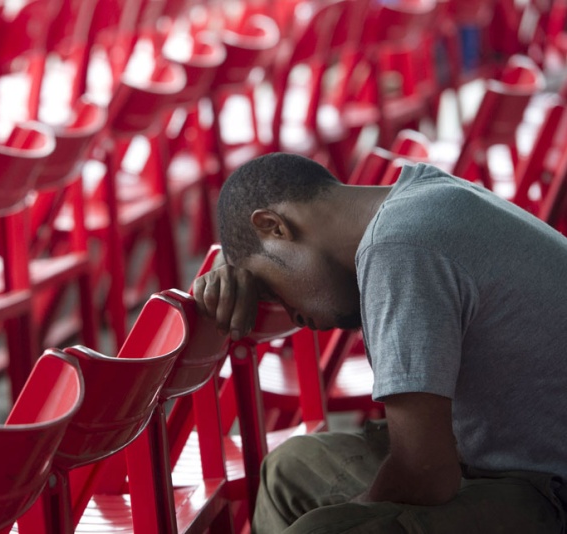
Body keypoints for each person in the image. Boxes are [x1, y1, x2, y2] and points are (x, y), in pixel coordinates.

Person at [192, 152, 567, 533]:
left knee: (320, 529)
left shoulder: (399, 248)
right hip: (502, 460)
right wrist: (234, 257)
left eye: (271, 287)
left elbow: (425, 475)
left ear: (274, 226)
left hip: (547, 488)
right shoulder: (421, 196)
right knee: (288, 470)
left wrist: (353, 513)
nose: (296, 319)